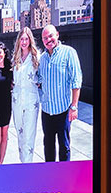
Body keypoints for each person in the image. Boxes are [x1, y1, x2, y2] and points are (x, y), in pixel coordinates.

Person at [36, 24, 82, 162]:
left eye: (50, 36)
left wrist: (74, 107)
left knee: (64, 147)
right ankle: (51, 177)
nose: (48, 40)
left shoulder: (69, 53)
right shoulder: (42, 58)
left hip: (63, 110)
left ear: (57, 34)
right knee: (48, 146)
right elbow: (38, 79)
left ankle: (64, 178)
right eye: (45, 38)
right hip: (47, 111)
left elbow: (76, 81)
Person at [9, 26, 41, 163]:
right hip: (16, 100)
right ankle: (23, 163)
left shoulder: (37, 57)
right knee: (20, 135)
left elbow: (42, 76)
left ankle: (28, 166)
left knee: (29, 135)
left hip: (31, 100)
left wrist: (39, 81)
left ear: (30, 40)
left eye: (26, 39)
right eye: (21, 39)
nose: (24, 42)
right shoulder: (15, 58)